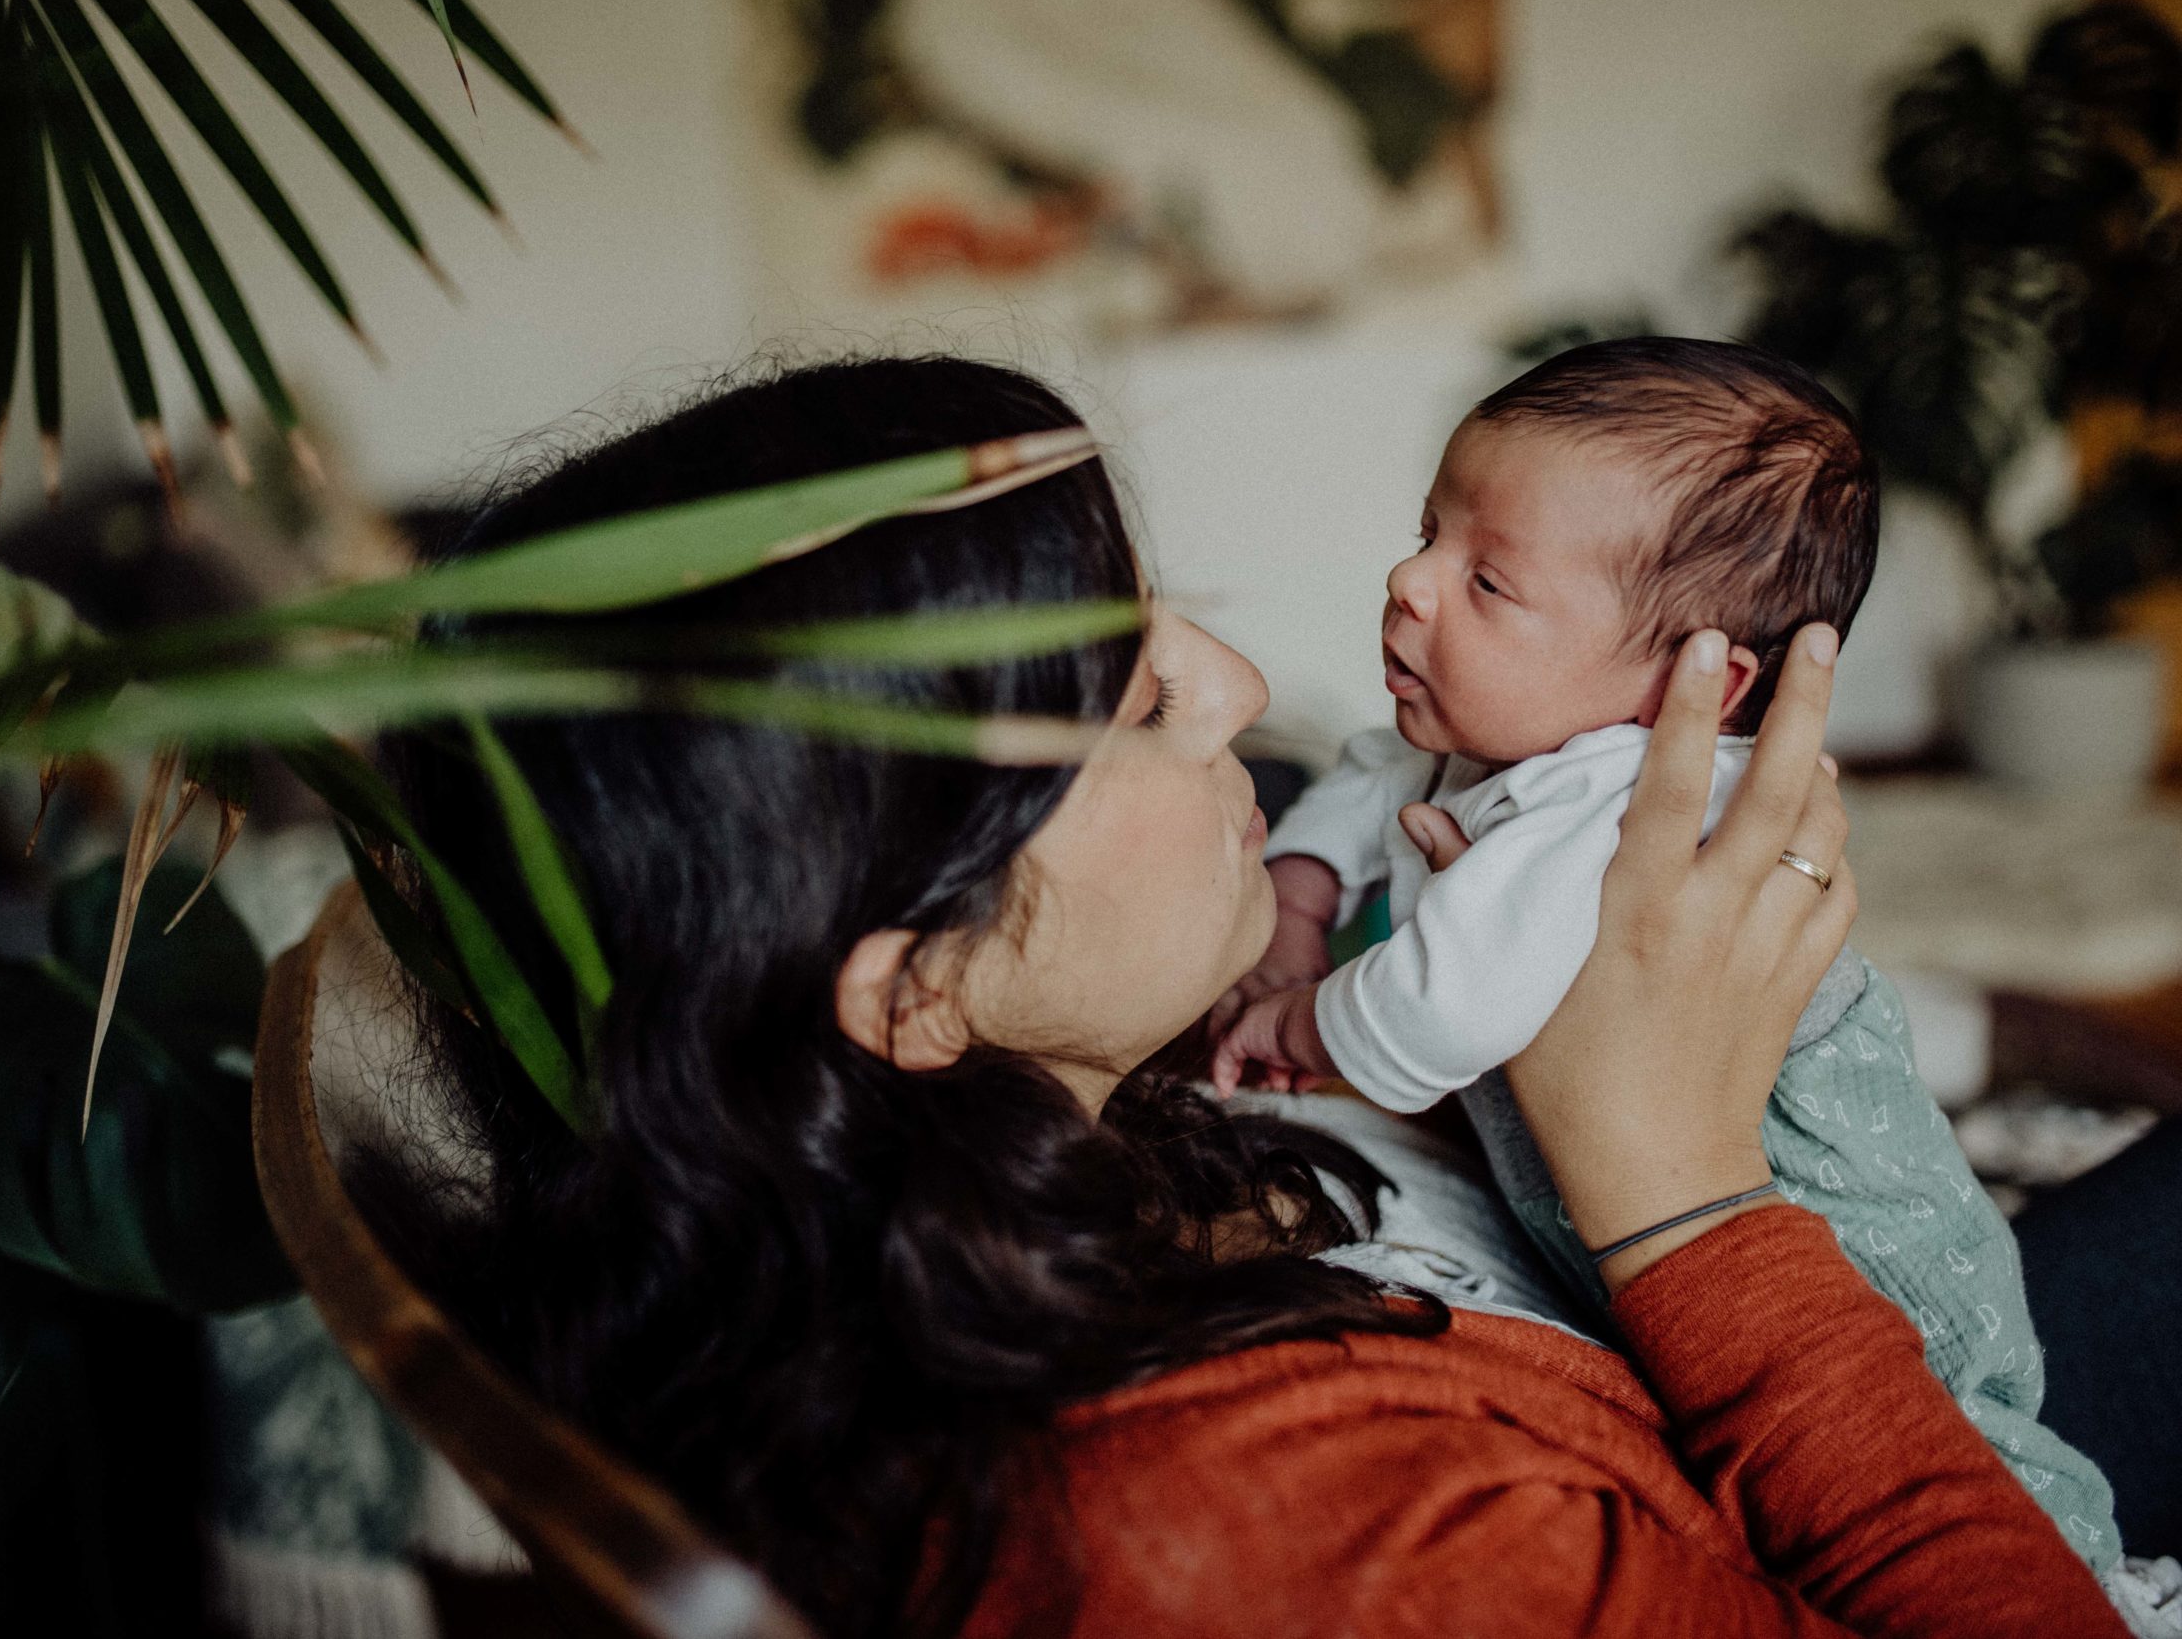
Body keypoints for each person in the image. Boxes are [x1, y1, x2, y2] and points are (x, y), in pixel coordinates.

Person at [371, 354, 2156, 1637]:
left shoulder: (966, 1171)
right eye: (1138, 698)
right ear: (911, 987)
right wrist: (1684, 1189)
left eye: (1172, 624)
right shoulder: (1289, 1538)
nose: (1234, 682)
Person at [1203, 336, 2119, 1565]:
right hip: (1636, 1243)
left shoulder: (1616, 810)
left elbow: (1440, 1014)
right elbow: (1373, 777)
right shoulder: (1503, 735)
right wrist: (1302, 893)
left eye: (1488, 582)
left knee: (1994, 1472)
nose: (1408, 578)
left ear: (1682, 684)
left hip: (1855, 1272)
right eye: (1429, 530)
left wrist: (1299, 1019)